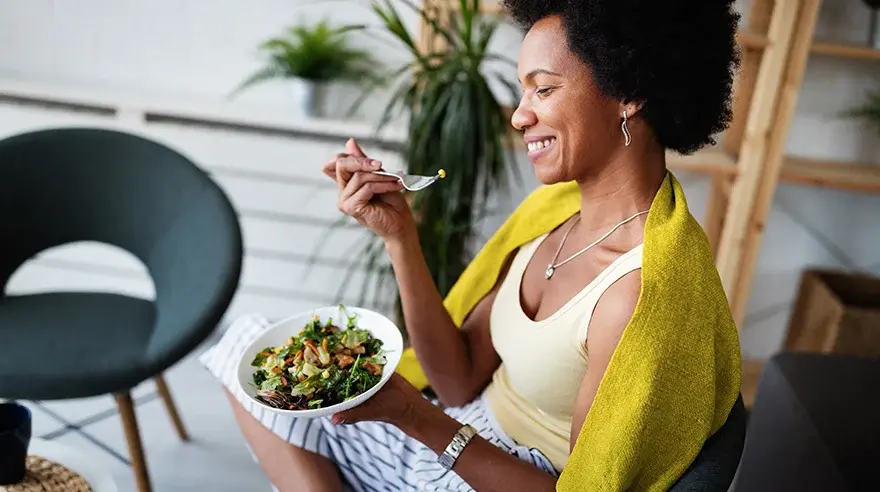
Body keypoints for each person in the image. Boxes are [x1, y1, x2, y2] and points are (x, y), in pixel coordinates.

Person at [199, 1, 743, 490]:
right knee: (242, 345)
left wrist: (415, 417)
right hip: (448, 436)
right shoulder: (552, 218)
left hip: (491, 473)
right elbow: (456, 379)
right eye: (523, 90)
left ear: (629, 94)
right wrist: (400, 238)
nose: (519, 114)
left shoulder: (637, 295)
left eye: (544, 89)